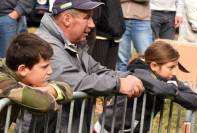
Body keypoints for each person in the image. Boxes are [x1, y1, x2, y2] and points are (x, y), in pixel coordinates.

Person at [16, 0, 144, 132]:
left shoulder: (72, 45)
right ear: (67, 19)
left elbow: (97, 70)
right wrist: (118, 84)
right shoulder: (45, 46)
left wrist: (127, 77)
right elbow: (75, 81)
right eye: (87, 17)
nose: (92, 24)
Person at [94, 40, 197, 133]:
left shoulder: (169, 80)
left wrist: (174, 93)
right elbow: (159, 89)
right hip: (108, 129)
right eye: (171, 67)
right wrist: (173, 90)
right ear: (154, 65)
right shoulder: (139, 72)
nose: (174, 72)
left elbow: (196, 100)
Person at [0, 33, 73, 132]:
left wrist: (49, 89)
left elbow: (68, 89)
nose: (50, 71)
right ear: (23, 69)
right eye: (44, 67)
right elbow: (45, 103)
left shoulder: (23, 75)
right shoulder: (2, 79)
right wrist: (38, 94)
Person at [116, 0, 153, 72]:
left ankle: (147, 82)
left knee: (147, 57)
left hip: (142, 21)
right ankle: (121, 82)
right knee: (122, 61)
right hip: (120, 19)